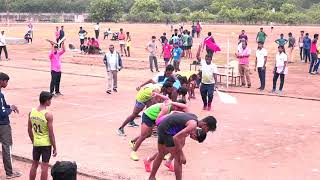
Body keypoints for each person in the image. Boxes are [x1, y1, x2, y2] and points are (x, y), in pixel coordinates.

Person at [148, 113, 217, 180]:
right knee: (179, 159)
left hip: (162, 126)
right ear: (205, 125)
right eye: (208, 130)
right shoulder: (193, 125)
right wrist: (182, 154)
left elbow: (177, 116)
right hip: (166, 131)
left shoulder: (193, 117)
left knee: (161, 154)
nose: (206, 131)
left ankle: (152, 177)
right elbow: (176, 138)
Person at [28, 91, 57, 180]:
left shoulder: (31, 112)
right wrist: (54, 147)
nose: (50, 101)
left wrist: (33, 140)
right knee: (44, 166)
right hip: (46, 144)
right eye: (50, 100)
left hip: (36, 143)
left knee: (34, 164)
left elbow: (29, 129)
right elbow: (51, 134)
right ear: (46, 101)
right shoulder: (48, 115)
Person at [0, 72, 22, 178]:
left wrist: (10, 106)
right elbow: (2, 112)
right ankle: (9, 173)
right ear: (1, 81)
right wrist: (11, 109)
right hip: (3, 125)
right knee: (7, 147)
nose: (7, 83)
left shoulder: (1, 95)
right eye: (6, 81)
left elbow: (4, 106)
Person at [196, 44, 218, 111]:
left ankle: (209, 104)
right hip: (203, 83)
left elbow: (215, 75)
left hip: (211, 83)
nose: (207, 60)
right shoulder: (203, 62)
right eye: (206, 59)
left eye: (208, 59)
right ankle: (205, 104)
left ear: (211, 59)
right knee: (203, 95)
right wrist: (199, 48)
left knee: (210, 95)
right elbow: (197, 56)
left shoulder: (213, 66)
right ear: (205, 59)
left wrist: (216, 84)